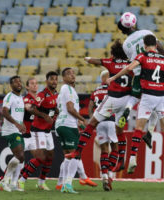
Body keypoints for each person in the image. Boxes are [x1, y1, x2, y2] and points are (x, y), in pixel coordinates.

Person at [107, 34, 164, 173]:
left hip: (148, 95)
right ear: (156, 45)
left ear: (144, 45)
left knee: (138, 128)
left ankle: (132, 159)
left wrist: (114, 77)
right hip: (163, 97)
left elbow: (129, 68)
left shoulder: (143, 56)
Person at [65, 40, 132, 173]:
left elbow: (94, 61)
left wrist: (86, 58)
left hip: (113, 99)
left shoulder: (111, 62)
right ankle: (121, 160)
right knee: (120, 132)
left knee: (92, 123)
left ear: (113, 54)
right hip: (126, 101)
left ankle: (77, 152)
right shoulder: (131, 65)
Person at [117, 12, 164, 149]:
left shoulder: (126, 44)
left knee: (136, 98)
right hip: (153, 72)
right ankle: (150, 131)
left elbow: (132, 62)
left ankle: (128, 109)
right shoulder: (146, 32)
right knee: (157, 103)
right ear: (134, 23)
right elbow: (161, 49)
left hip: (138, 74)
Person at [55, 68, 97, 194]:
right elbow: (70, 109)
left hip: (62, 124)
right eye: (69, 74)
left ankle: (62, 184)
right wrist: (83, 120)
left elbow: (61, 109)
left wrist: (77, 122)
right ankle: (68, 184)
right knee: (75, 155)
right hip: (67, 125)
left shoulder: (66, 90)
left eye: (73, 73)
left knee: (68, 157)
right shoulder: (67, 89)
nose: (72, 75)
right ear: (63, 78)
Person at [18, 71, 58, 191]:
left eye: (56, 79)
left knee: (50, 156)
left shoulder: (56, 94)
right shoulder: (42, 94)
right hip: (37, 130)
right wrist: (44, 116)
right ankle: (21, 180)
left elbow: (54, 107)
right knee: (41, 157)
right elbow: (32, 109)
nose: (54, 81)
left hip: (48, 131)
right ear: (47, 81)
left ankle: (41, 182)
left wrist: (56, 112)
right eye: (52, 79)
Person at [88, 70, 118, 191]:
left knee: (104, 149)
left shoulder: (95, 91)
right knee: (115, 147)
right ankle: (110, 174)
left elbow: (90, 106)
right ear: (106, 78)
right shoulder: (113, 89)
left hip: (99, 122)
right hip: (110, 120)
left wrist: (92, 120)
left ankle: (104, 175)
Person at [0, 76, 26, 192]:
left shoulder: (20, 98)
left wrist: (22, 124)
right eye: (16, 82)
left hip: (17, 129)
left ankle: (12, 183)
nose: (19, 83)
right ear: (11, 85)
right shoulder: (9, 97)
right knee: (20, 156)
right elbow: (4, 112)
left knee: (20, 158)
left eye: (20, 81)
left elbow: (17, 114)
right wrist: (17, 124)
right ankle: (5, 181)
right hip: (10, 130)